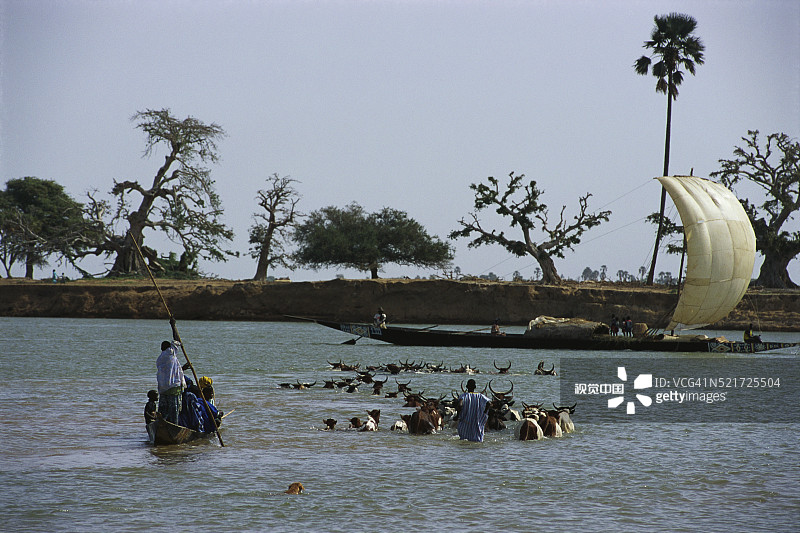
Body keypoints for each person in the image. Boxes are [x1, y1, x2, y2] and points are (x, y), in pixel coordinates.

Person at [156, 317, 187, 424]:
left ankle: (160, 425)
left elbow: (171, 371)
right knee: (174, 411)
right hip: (174, 387)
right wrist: (173, 326)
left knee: (163, 411)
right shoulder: (170, 353)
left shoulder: (160, 359)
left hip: (163, 389)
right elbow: (177, 340)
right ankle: (173, 426)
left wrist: (183, 368)